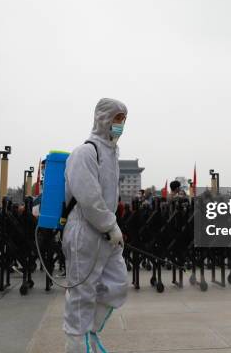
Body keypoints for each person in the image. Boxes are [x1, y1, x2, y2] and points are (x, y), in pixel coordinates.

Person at [62, 98, 129, 353]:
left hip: (107, 233)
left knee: (117, 285)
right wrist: (109, 225)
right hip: (84, 231)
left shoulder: (112, 154)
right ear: (102, 118)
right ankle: (77, 347)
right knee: (82, 295)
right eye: (117, 118)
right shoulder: (85, 152)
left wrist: (112, 228)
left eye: (123, 119)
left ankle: (89, 334)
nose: (120, 124)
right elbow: (89, 197)